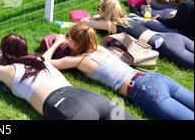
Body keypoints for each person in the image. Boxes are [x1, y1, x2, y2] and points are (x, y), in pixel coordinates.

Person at [43, 24, 194, 120]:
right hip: (156, 79)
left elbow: (44, 62)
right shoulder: (100, 48)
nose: (66, 39)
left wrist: (56, 43)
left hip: (143, 90)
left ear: (74, 42)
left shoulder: (79, 60)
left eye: (68, 37)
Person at [0, 34, 136, 120]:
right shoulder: (38, 60)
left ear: (4, 52)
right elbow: (46, 56)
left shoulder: (9, 71)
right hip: (86, 95)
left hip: (64, 105)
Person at [80, 0, 194, 69]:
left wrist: (98, 17)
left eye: (99, 8)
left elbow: (84, 21)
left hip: (164, 44)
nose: (98, 10)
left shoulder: (112, 25)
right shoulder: (126, 17)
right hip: (171, 37)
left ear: (104, 12)